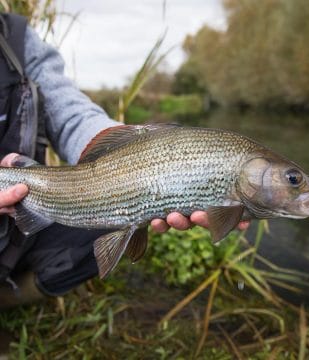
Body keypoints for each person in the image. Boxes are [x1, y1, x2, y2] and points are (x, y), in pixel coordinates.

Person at [0, 12, 250, 307]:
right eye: (293, 180)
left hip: (16, 222)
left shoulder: (15, 37)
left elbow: (70, 116)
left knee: (117, 216)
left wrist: (131, 153)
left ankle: (7, 299)